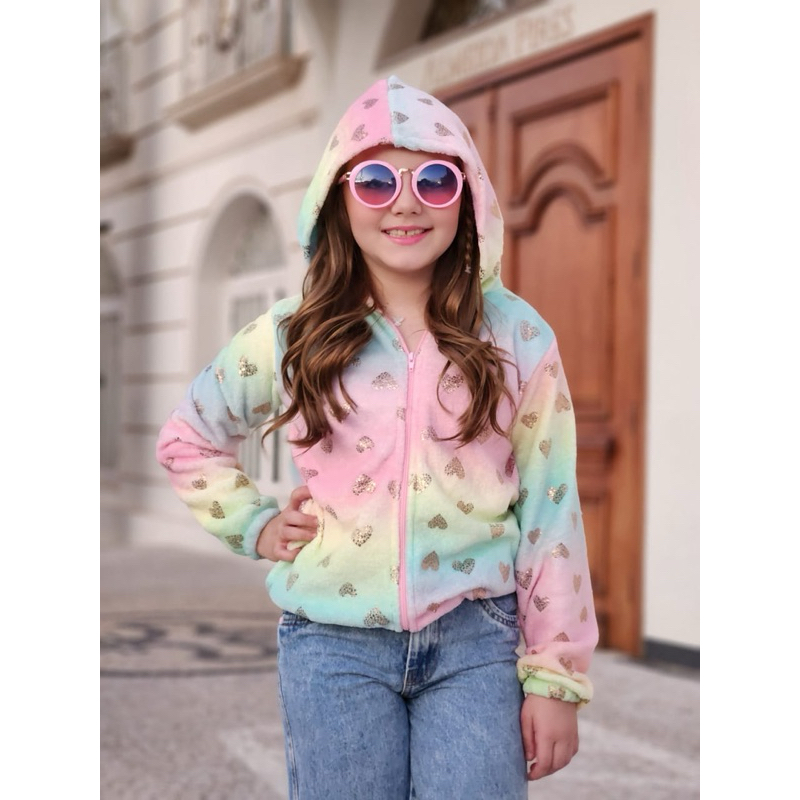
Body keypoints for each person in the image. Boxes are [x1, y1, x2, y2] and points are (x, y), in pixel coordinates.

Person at [157, 74, 599, 800]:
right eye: (375, 181)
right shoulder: (293, 334)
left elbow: (551, 506)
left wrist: (556, 676)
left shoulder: (517, 336)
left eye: (434, 180)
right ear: (337, 198)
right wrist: (255, 524)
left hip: (475, 641)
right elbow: (188, 437)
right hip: (333, 646)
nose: (405, 202)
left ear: (467, 196)